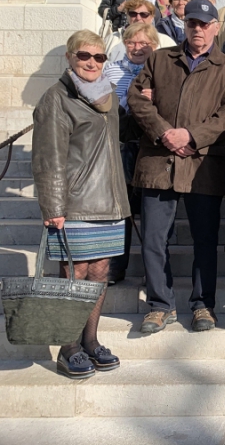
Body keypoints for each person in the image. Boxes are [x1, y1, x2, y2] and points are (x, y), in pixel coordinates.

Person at [128, 0, 225, 335]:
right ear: (184, 24)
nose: (198, 29)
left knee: (205, 240)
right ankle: (159, 305)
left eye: (205, 24)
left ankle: (202, 304)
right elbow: (137, 99)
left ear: (216, 27)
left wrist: (191, 135)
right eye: (193, 23)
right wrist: (165, 132)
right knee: (152, 239)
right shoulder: (160, 59)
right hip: (157, 162)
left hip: (201, 165)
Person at [32, 29, 131, 379]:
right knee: (74, 275)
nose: (91, 62)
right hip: (74, 203)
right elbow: (48, 159)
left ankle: (90, 339)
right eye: (83, 56)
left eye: (99, 57)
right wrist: (52, 207)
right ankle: (68, 346)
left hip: (109, 201)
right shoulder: (55, 98)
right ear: (70, 58)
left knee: (100, 274)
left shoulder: (107, 94)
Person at [103, 23, 158, 283]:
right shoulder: (110, 70)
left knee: (151, 213)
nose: (138, 48)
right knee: (121, 210)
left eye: (144, 43)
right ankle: (116, 266)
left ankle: (153, 270)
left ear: (154, 46)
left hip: (150, 147)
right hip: (120, 143)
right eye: (132, 43)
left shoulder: (160, 70)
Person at [104, 0, 176, 62]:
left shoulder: (165, 41)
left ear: (152, 17)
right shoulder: (112, 39)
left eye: (143, 14)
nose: (138, 18)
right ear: (127, 16)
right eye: (133, 14)